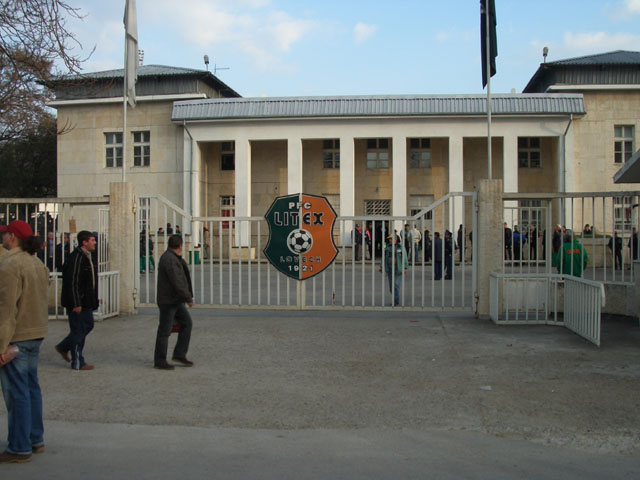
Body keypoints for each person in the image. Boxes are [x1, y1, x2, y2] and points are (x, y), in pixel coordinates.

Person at [0, 220, 49, 463]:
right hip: (35, 332)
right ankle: (35, 439)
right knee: (31, 388)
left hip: (17, 335)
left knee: (16, 393)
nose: (3, 237)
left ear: (13, 237)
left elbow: (6, 308)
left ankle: (19, 447)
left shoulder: (10, 265)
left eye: (6, 234)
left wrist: (1, 344)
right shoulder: (37, 264)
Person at [55, 230, 99, 371]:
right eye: (92, 240)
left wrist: (94, 298)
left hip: (86, 301)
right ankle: (78, 362)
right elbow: (72, 282)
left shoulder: (87, 256)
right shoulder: (76, 258)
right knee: (78, 330)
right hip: (78, 302)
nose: (95, 243)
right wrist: (76, 303)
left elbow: (89, 281)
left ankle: (64, 346)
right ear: (84, 242)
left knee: (87, 325)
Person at [154, 235, 194, 370]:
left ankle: (179, 354)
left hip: (175, 300)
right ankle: (160, 360)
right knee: (165, 330)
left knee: (186, 323)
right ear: (180, 245)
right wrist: (188, 297)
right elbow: (177, 281)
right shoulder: (169, 259)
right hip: (168, 301)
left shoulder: (171, 257)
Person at [379, 234, 408, 306]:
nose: (390, 240)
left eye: (392, 239)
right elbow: (384, 257)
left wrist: (405, 267)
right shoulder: (387, 247)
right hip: (390, 269)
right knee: (391, 287)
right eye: (389, 239)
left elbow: (404, 257)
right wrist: (381, 266)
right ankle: (395, 298)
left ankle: (395, 300)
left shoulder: (400, 247)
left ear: (396, 239)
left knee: (396, 285)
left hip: (398, 268)